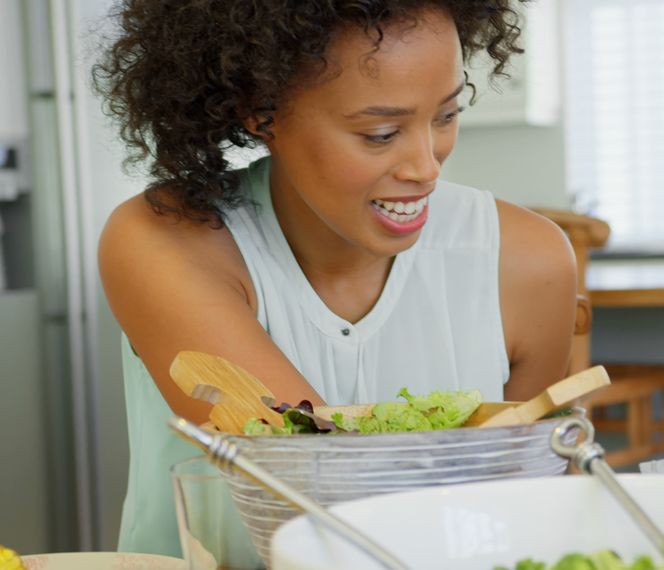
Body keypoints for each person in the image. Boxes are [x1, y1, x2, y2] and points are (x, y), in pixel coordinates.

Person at [94, 0, 577, 559]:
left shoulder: (527, 262)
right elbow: (310, 487)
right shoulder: (166, 239)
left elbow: (532, 516)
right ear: (261, 112)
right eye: (380, 133)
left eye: (446, 115)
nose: (426, 166)